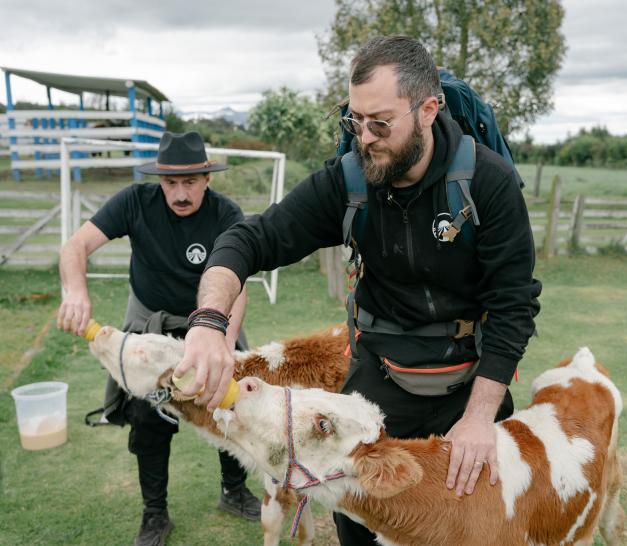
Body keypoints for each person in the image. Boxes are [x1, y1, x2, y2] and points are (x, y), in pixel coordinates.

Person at [177, 36, 541, 545]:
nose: (364, 137)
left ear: (428, 109)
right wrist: (210, 323)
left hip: (469, 378)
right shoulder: (348, 180)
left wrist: (480, 418)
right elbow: (250, 239)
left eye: (380, 123)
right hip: (379, 381)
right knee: (361, 526)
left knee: (475, 525)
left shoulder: (487, 182)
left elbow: (514, 305)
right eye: (354, 120)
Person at [57, 131, 261, 546]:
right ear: (159, 180)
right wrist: (75, 291)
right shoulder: (134, 201)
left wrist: (225, 339)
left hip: (213, 321)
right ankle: (155, 515)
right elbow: (75, 246)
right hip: (149, 323)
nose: (180, 193)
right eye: (171, 183)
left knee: (231, 406)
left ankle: (234, 491)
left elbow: (238, 283)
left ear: (207, 178)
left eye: (190, 182)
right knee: (148, 418)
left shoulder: (226, 213)